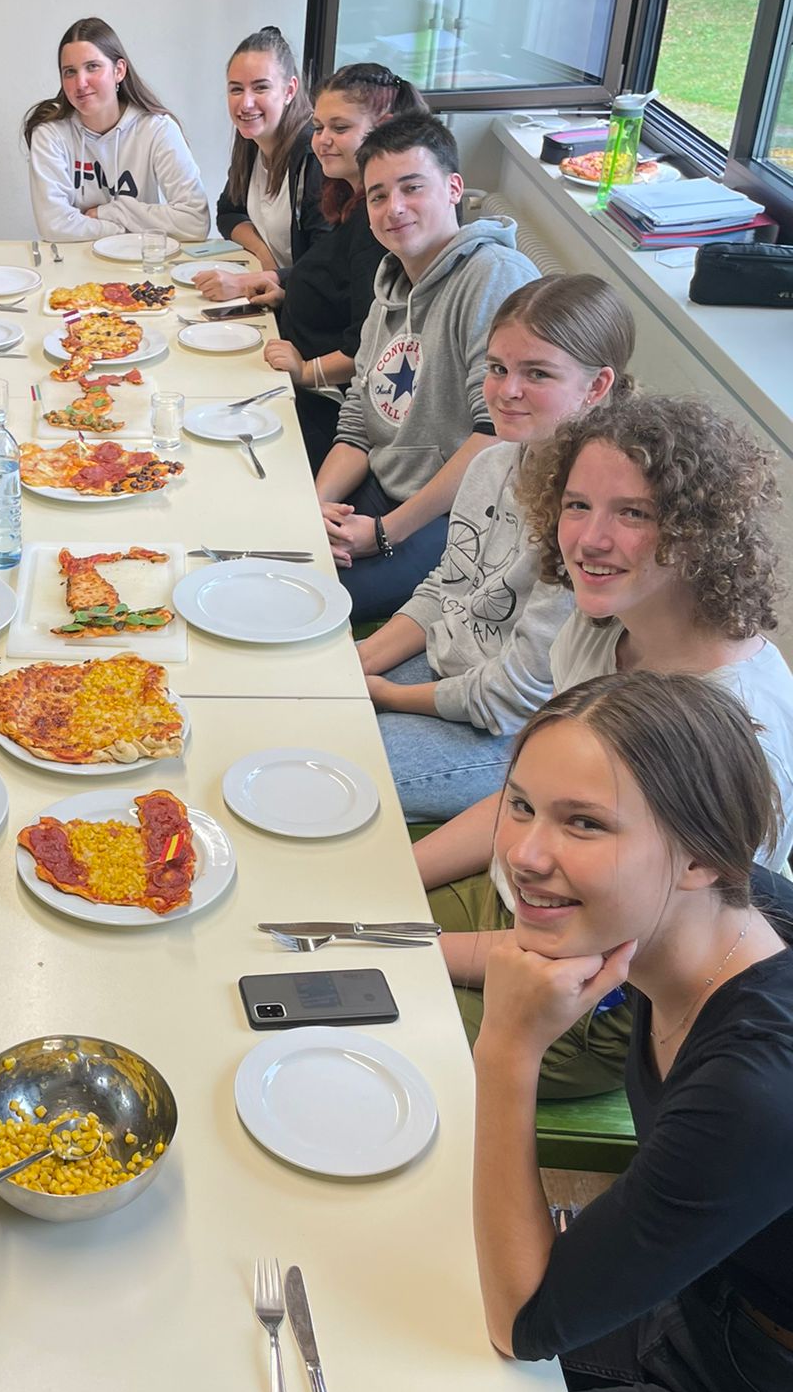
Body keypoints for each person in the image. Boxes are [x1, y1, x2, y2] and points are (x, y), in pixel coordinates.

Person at [214, 672, 793, 1392]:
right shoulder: (722, 927)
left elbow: (524, 1318)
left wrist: (511, 1046)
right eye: (522, 803)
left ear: (707, 856)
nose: (525, 851)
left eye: (584, 822)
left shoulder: (756, 1083)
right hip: (698, 1304)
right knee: (355, 1296)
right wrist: (362, 941)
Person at [416, 391, 793, 1097]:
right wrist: (397, 878)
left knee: (367, 1012)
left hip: (606, 993)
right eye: (577, 505)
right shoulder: (599, 631)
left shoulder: (738, 728)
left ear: (697, 531)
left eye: (634, 514)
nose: (588, 539)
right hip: (535, 904)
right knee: (344, 915)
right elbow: (529, 804)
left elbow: (639, 945)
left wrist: (419, 953)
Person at [359, 275, 633, 820]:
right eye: (498, 368)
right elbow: (446, 589)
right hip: (455, 676)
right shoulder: (490, 463)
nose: (507, 390)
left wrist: (387, 697)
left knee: (349, 764)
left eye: (537, 374)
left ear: (596, 386)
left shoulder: (589, 518)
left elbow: (516, 698)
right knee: (305, 710)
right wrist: (357, 662)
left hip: (518, 732)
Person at [315, 111, 538, 617]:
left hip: (459, 514)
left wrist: (384, 533)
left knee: (320, 599)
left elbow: (496, 436)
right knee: (277, 552)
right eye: (377, 196)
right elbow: (358, 420)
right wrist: (312, 509)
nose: (394, 208)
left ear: (454, 187)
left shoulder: (493, 277)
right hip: (385, 488)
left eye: (411, 188)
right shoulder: (391, 285)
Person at [196, 64, 428, 473]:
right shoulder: (348, 196)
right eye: (319, 127)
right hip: (291, 362)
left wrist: (306, 372)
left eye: (339, 128)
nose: (320, 141)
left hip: (323, 404)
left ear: (384, 130)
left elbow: (367, 346)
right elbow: (338, 283)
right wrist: (284, 284)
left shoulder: (378, 224)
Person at [23, 16, 210, 244]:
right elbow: (54, 225)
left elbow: (195, 222)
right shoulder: (50, 133)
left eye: (92, 67)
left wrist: (110, 212)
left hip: (140, 263)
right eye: (70, 72)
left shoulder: (157, 128)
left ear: (119, 71)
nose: (80, 83)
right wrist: (124, 231)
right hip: (74, 263)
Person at [210, 26, 325, 279]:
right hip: (273, 289)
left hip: (300, 306)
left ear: (289, 90)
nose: (245, 103)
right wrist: (263, 254)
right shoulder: (251, 141)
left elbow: (324, 268)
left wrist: (269, 277)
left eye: (260, 88)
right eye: (236, 89)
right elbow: (229, 212)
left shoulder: (313, 156)